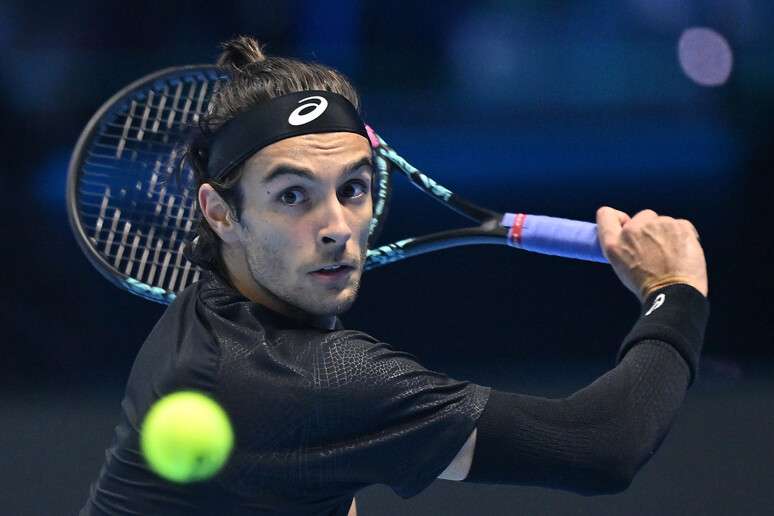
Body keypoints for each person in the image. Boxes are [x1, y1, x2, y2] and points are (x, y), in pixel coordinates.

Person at [80, 36, 709, 516]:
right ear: (220, 213)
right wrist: (674, 293)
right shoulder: (307, 380)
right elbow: (601, 446)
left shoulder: (212, 314)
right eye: (292, 196)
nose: (336, 227)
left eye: (352, 188)